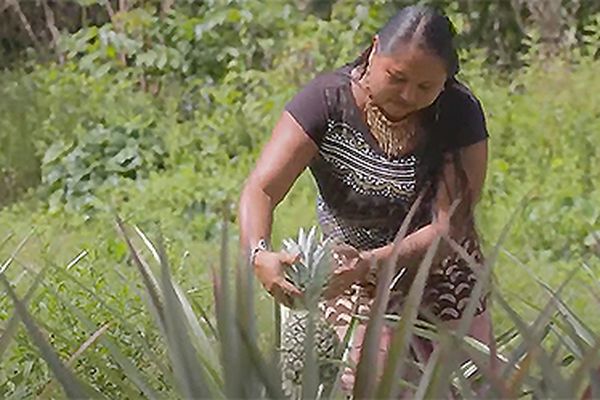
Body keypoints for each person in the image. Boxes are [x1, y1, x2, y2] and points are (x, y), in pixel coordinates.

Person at [238, 4, 494, 392]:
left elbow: (448, 228)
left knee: (458, 386)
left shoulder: (458, 112)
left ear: (446, 81)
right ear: (375, 50)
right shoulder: (325, 101)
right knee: (362, 386)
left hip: (443, 276)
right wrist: (258, 253)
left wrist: (371, 263)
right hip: (349, 279)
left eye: (426, 87)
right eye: (397, 77)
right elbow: (262, 188)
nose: (408, 95)